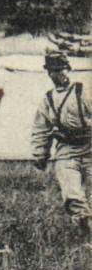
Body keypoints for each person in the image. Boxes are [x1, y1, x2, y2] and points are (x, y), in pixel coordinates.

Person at [31, 51, 90, 241]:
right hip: (66, 150)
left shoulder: (84, 91)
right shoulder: (48, 99)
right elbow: (41, 128)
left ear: (69, 69)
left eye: (61, 69)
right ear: (48, 73)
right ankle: (87, 233)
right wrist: (40, 154)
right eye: (53, 71)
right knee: (72, 195)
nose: (58, 74)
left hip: (90, 146)